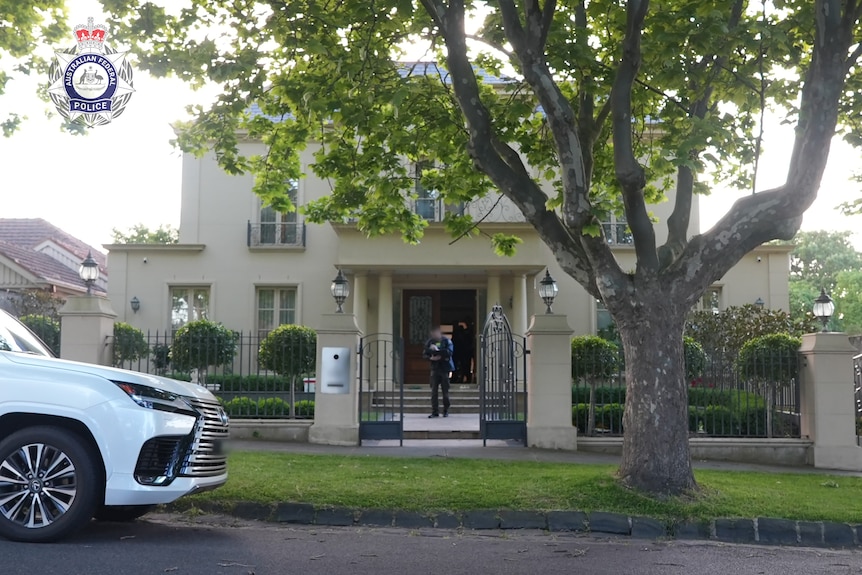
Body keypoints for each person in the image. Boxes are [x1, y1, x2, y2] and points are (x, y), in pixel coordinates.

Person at [422, 326, 454, 418]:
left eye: (436, 333)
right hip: (434, 369)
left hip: (444, 368)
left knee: (445, 391)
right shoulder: (430, 342)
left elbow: (449, 352)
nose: (434, 335)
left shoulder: (446, 341)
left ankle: (445, 410)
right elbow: (425, 353)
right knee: (434, 392)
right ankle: (435, 411)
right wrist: (430, 358)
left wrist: (438, 351)